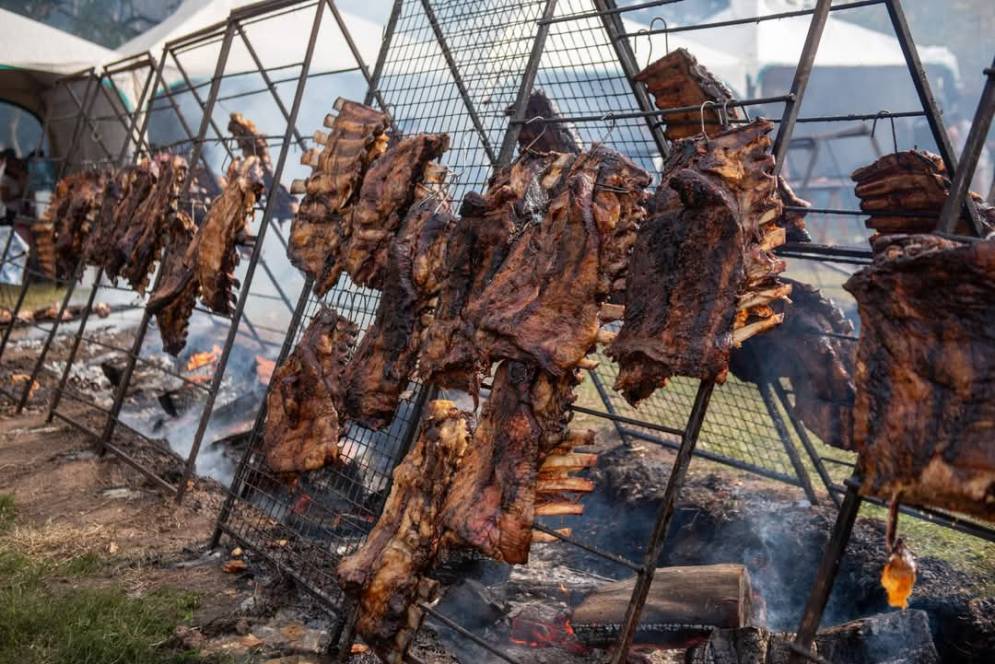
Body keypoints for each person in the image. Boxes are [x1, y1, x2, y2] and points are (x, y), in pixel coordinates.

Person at [0, 148, 26, 225]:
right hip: (12, 212)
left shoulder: (18, 173)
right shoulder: (4, 179)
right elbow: (5, 198)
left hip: (20, 209)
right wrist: (19, 195)